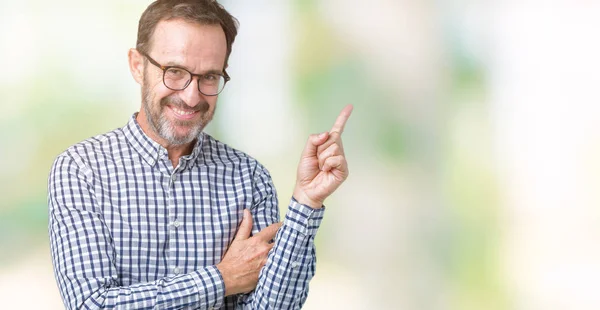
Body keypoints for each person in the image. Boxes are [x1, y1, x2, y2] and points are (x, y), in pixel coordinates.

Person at [47, 0, 352, 309]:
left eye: (209, 77)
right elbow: (93, 304)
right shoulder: (80, 169)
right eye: (175, 71)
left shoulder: (249, 177)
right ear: (138, 66)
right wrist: (224, 278)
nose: (191, 96)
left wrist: (307, 202)